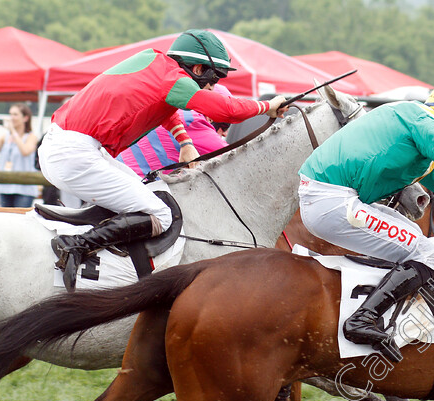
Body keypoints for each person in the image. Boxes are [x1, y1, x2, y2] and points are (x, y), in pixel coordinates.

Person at [38, 29, 288, 291]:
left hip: (71, 147)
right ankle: (76, 246)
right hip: (75, 153)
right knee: (162, 214)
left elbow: (163, 108)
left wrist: (185, 141)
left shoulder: (157, 65)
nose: (213, 87)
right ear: (199, 68)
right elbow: (224, 109)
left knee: (150, 194)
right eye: (214, 79)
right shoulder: (172, 80)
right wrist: (266, 107)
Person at [298, 79, 434, 361]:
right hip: (331, 200)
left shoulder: (420, 147)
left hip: (331, 199)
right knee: (430, 253)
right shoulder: (417, 117)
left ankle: (375, 313)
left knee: (415, 237)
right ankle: (362, 320)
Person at [0, 103, 40, 207]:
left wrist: (13, 131)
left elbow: (25, 151)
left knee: (20, 220)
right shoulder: (5, 137)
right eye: (10, 114)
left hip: (24, 189)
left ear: (25, 118)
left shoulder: (31, 137)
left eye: (15, 115)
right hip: (5, 186)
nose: (11, 118)